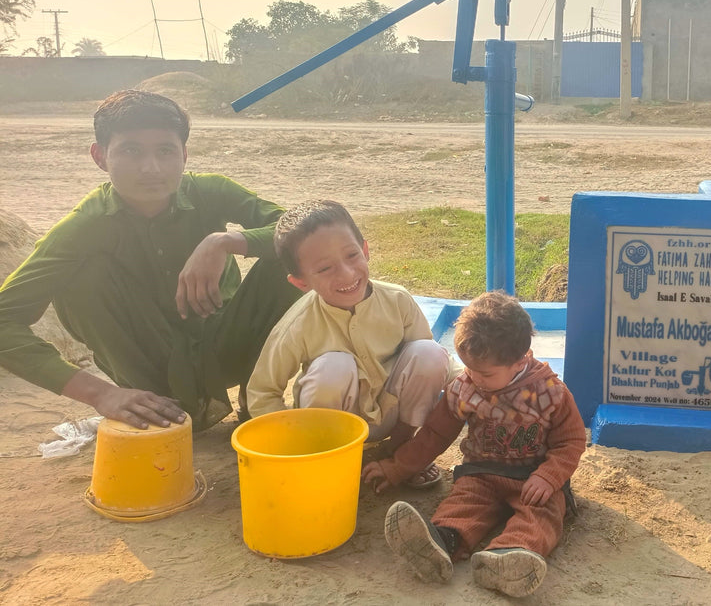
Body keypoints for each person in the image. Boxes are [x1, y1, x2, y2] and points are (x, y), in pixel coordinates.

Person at [0, 90, 301, 430]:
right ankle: (158, 403)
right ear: (100, 157)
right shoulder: (84, 225)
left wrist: (225, 241)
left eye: (165, 151)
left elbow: (307, 226)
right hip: (150, 366)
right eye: (131, 150)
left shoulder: (210, 192)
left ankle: (259, 399)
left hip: (226, 346)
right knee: (81, 275)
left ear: (184, 155)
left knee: (291, 251)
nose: (151, 169)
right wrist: (100, 394)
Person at [361, 291, 586, 599]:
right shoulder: (464, 389)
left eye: (485, 373)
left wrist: (549, 477)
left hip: (532, 479)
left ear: (520, 359)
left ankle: (509, 557)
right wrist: (398, 467)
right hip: (481, 473)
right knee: (462, 503)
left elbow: (571, 441)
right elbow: (434, 435)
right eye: (467, 368)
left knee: (542, 515)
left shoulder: (550, 393)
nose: (473, 378)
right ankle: (441, 542)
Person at [246, 199, 452, 488]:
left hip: (394, 414)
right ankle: (331, 460)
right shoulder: (298, 324)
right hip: (332, 424)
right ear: (301, 282)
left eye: (352, 255)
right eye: (325, 268)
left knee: (429, 352)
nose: (346, 274)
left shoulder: (397, 300)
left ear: (366, 250)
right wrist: (292, 443)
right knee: (334, 366)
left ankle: (402, 451)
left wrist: (479, 388)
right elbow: (262, 392)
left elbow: (434, 366)